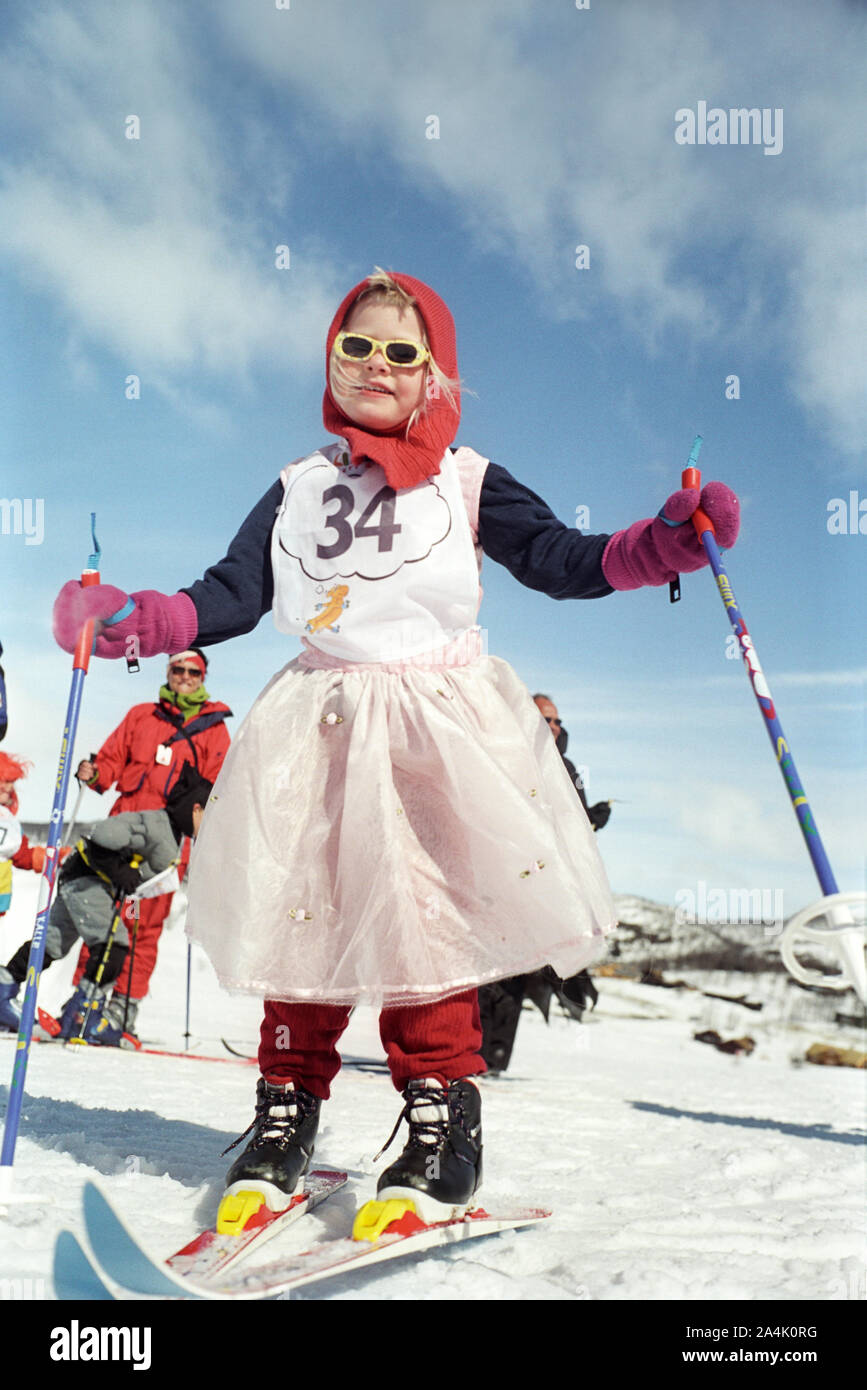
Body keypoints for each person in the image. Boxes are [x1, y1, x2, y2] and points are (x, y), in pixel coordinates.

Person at [51, 269, 739, 1223]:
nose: (375, 363)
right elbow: (231, 593)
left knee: (426, 920)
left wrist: (655, 547)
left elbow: (559, 558)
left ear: (436, 378)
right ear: (331, 365)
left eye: (400, 352)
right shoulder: (298, 485)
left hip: (428, 723)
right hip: (319, 721)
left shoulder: (466, 478)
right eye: (355, 347)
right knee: (306, 915)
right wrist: (142, 622)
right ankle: (286, 1107)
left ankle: (440, 1116)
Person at [70, 649, 231, 1041]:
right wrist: (93, 773)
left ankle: (122, 1013)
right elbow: (108, 764)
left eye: (194, 671)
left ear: (203, 676)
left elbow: (218, 792)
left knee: (141, 925)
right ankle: (83, 1006)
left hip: (165, 845)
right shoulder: (141, 715)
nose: (185, 676)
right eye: (179, 669)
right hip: (121, 832)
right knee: (102, 919)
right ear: (169, 671)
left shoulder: (214, 730)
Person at [0, 765, 212, 1041]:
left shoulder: (170, 833)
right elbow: (105, 835)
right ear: (195, 809)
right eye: (207, 818)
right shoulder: (157, 825)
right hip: (86, 881)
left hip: (79, 878)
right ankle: (82, 1014)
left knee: (52, 944)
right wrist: (119, 870)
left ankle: (5, 987)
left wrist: (130, 877)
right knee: (113, 947)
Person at [479, 693, 611, 1073]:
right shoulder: (499, 754)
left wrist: (594, 818)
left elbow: (573, 825)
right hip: (499, 874)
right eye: (544, 720)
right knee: (487, 966)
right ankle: (467, 1056)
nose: (554, 727)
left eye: (556, 721)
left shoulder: (567, 769)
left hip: (546, 881)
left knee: (522, 968)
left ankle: (493, 1060)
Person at [0, 753, 71, 919]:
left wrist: (55, 857)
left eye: (11, 783)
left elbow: (23, 856)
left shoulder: (9, 822)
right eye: (5, 782)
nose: (9, 788)